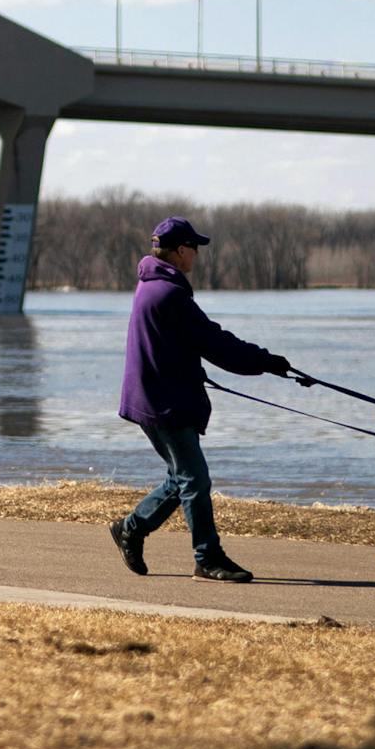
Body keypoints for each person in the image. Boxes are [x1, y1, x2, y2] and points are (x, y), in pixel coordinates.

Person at [110, 216, 298, 583]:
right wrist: (267, 361)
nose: (197, 256)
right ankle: (207, 558)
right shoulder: (168, 293)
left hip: (156, 395)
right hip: (164, 402)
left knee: (181, 477)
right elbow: (215, 342)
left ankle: (130, 529)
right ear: (180, 251)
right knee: (195, 480)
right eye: (194, 248)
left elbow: (185, 344)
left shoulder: (151, 285)